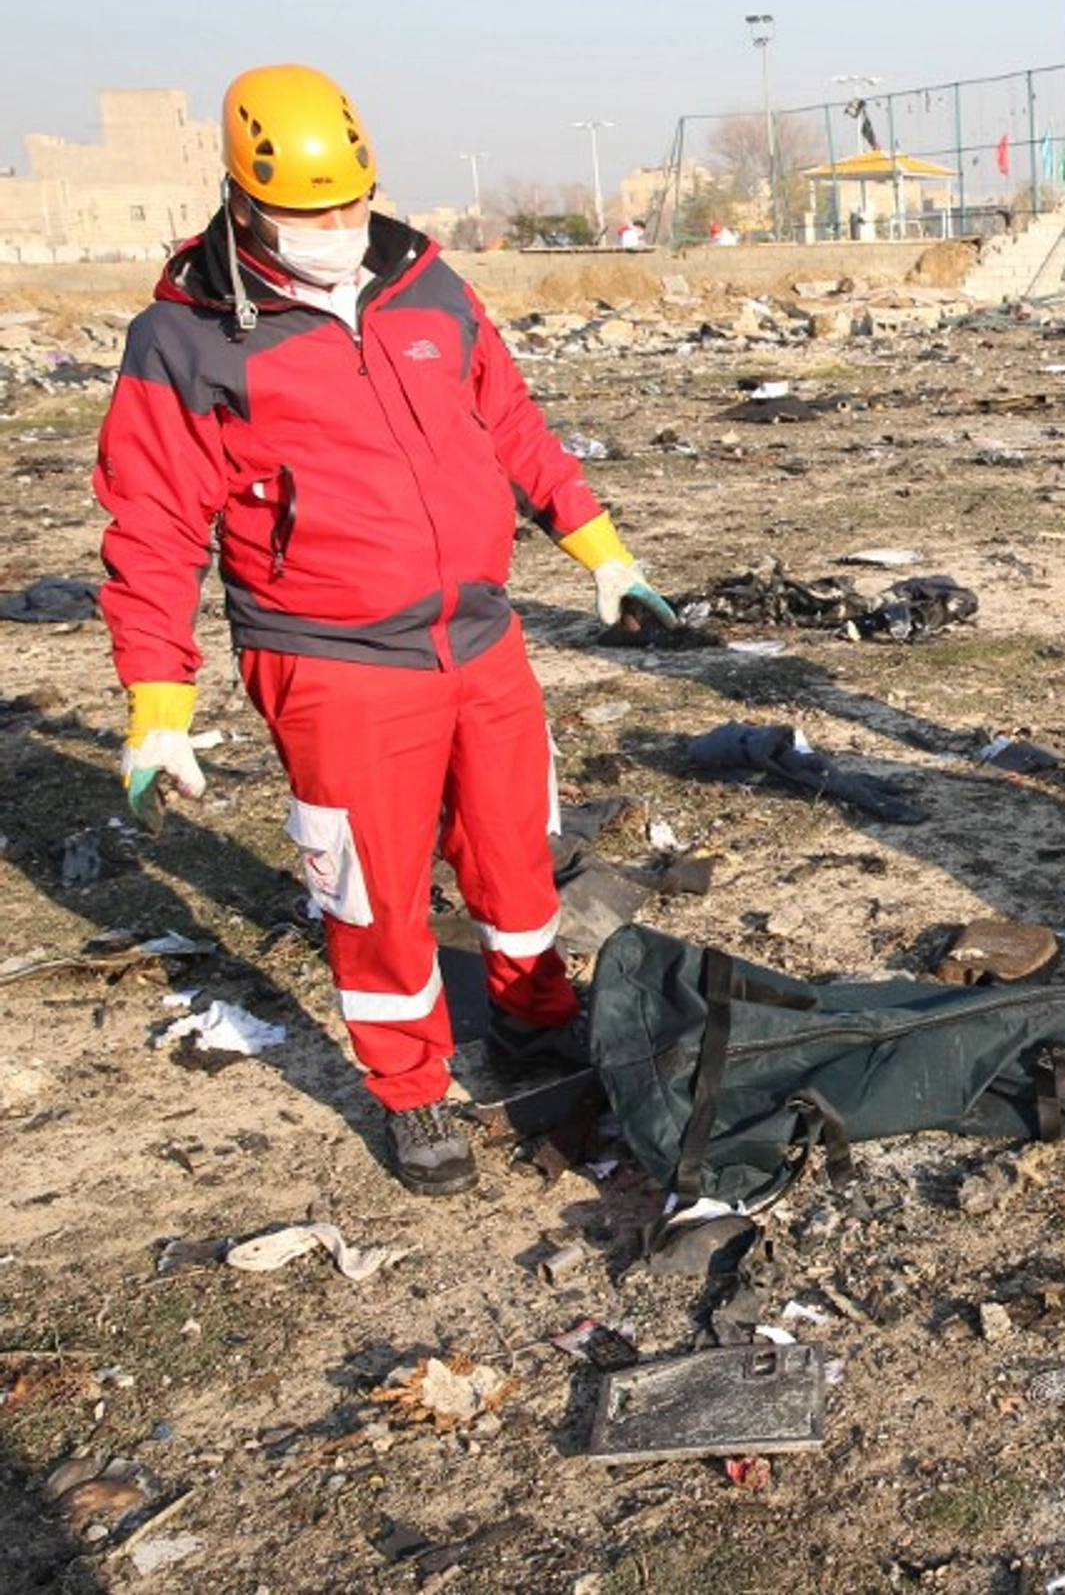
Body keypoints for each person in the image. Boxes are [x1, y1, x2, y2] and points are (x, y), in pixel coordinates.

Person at [93, 64, 681, 1197]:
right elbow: (152, 524)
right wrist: (157, 701)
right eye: (310, 214)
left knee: (516, 848)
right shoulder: (188, 339)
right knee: (373, 888)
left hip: (480, 638)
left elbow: (510, 422)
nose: (338, 230)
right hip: (333, 660)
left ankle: (533, 1018)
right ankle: (411, 1090)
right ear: (243, 197)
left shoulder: (428, 285)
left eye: (352, 203)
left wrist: (603, 553)